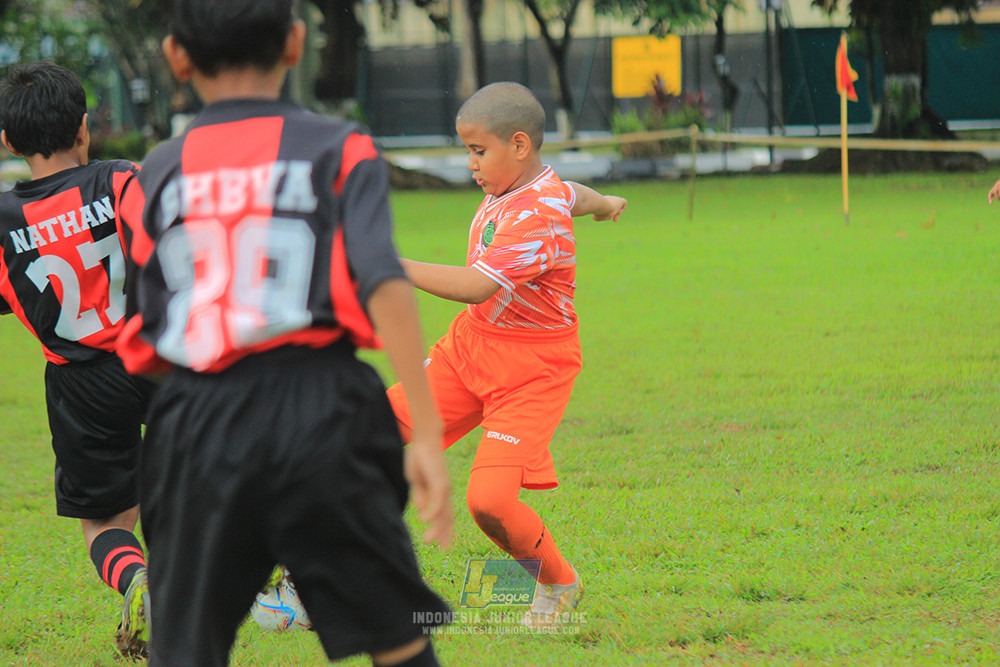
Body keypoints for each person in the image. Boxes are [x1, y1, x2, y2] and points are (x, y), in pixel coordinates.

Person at [115, 1, 452, 665]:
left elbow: (148, 341)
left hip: (200, 416)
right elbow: (383, 278)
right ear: (295, 44)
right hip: (325, 408)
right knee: (398, 638)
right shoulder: (341, 147)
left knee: (184, 649)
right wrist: (428, 432)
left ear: (176, 56)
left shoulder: (155, 172)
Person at [386, 81, 627, 627]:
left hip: (532, 371)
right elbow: (573, 193)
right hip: (470, 349)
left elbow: (477, 285)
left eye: (478, 150)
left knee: (489, 501)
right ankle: (320, 575)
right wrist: (606, 204)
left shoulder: (536, 213)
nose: (470, 164)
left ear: (518, 145)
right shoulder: (534, 185)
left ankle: (558, 583)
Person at [0, 61, 154, 659]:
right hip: (158, 356)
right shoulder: (121, 180)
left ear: (8, 142)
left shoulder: (4, 222)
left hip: (80, 386)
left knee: (107, 522)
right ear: (85, 127)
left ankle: (137, 579)